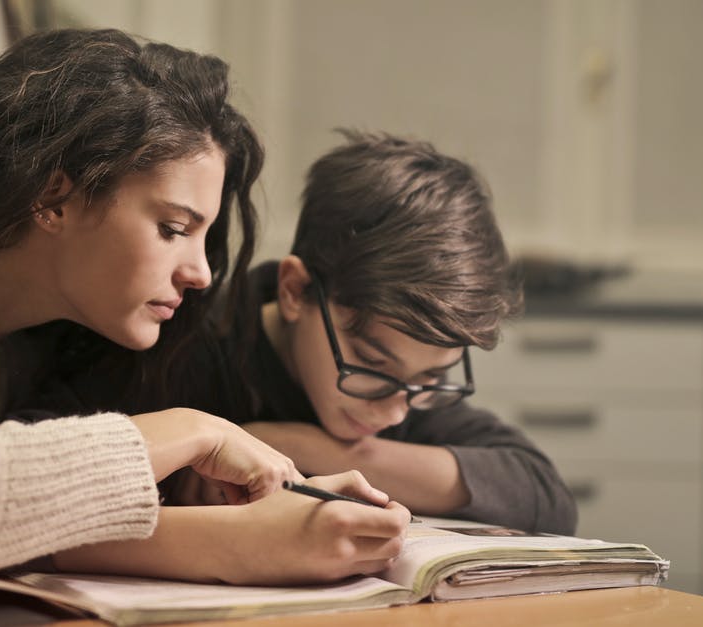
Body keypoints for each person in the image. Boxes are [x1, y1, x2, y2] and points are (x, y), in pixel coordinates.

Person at [0, 29, 408, 586]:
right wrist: (194, 431)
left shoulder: (16, 357)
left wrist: (248, 527)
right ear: (54, 196)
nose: (202, 272)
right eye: (174, 227)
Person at [38, 131, 578, 535]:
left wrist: (314, 449)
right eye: (371, 365)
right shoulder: (177, 341)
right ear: (295, 291)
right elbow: (29, 466)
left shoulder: (408, 389)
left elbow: (544, 496)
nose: (395, 411)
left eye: (433, 379)